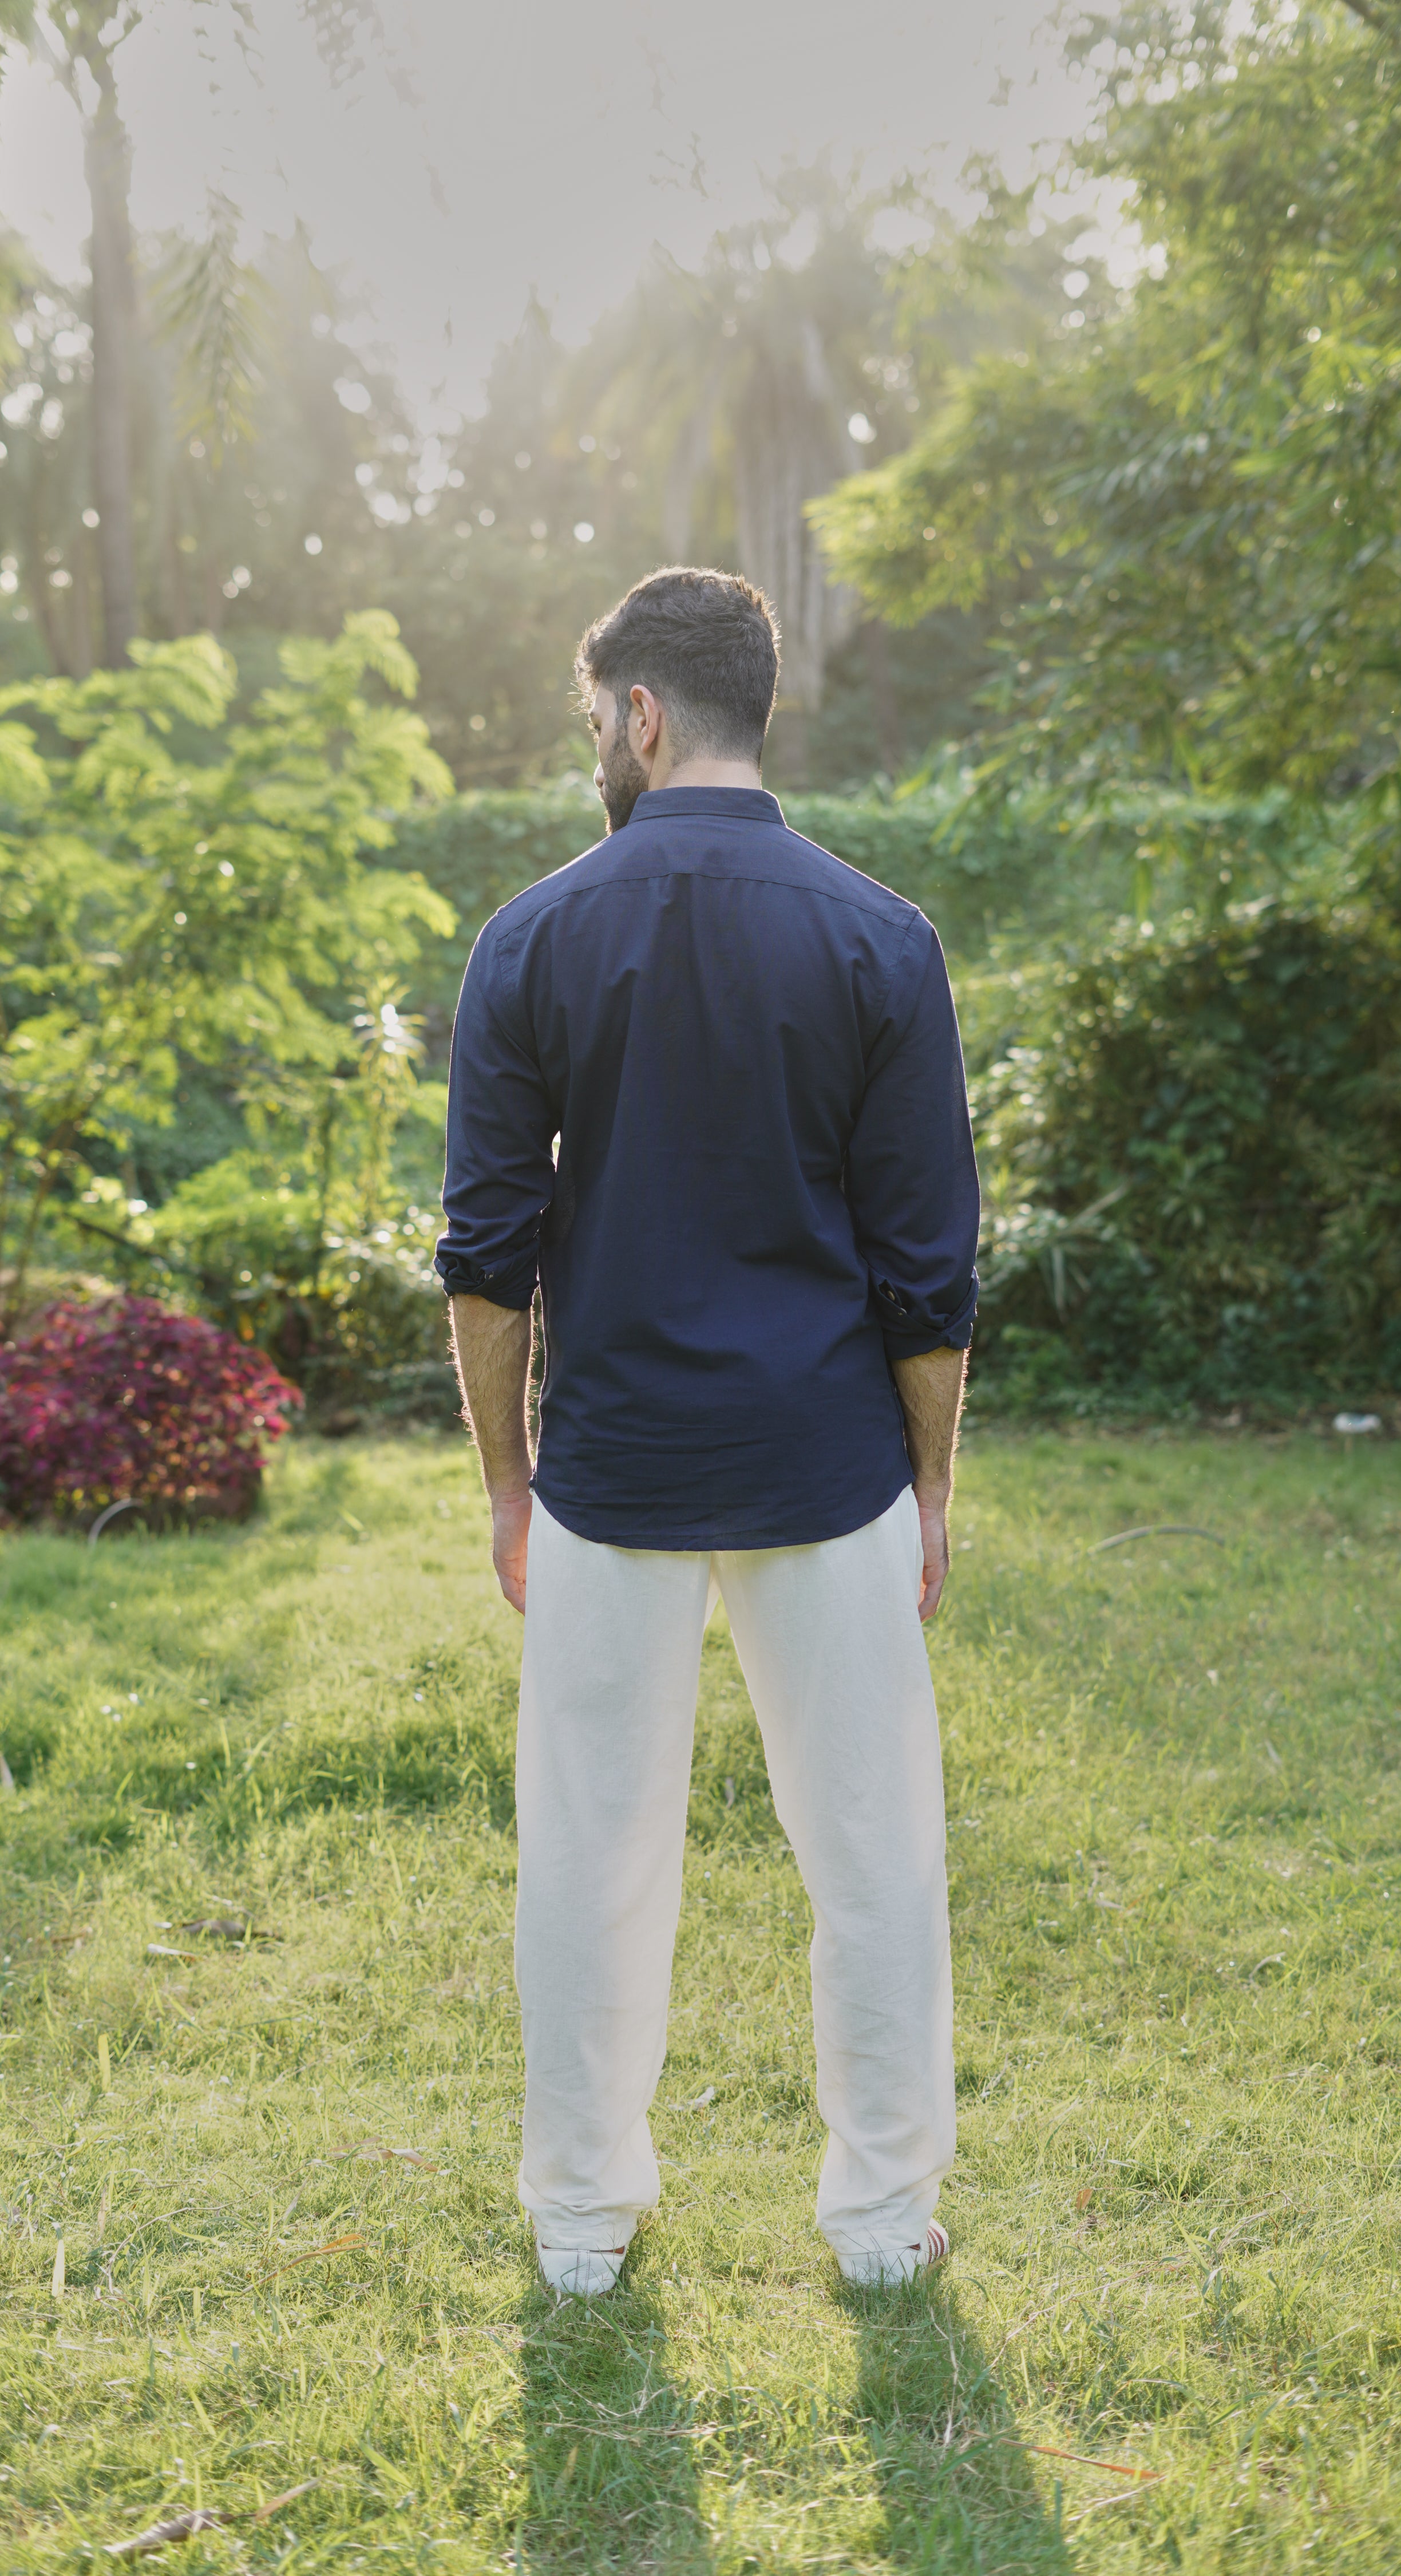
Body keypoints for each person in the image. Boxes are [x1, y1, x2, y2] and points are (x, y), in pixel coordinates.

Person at [435, 566, 979, 2296]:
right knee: (875, 1853)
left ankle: (585, 2228)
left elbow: (486, 1258)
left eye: (595, 716)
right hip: (831, 1477)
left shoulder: (531, 936)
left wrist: (509, 1487)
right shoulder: (883, 938)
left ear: (643, 717)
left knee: (593, 1856)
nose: (592, 744)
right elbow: (931, 1273)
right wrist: (932, 1488)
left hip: (609, 1477)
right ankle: (884, 2224)